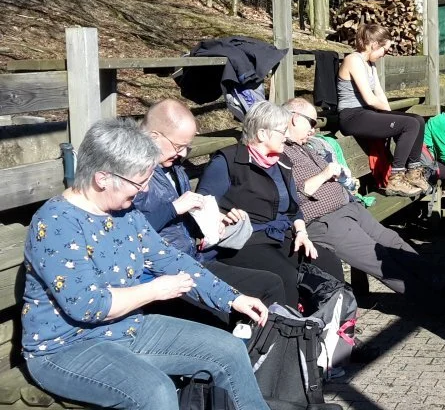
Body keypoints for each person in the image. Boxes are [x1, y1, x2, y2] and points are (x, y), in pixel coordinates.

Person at [22, 118, 270, 410]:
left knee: (228, 350)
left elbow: (170, 259)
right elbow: (87, 304)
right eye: (138, 182)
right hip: (65, 348)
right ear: (102, 178)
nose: (143, 190)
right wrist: (154, 290)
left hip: (125, 327)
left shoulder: (124, 214)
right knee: (156, 391)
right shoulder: (55, 223)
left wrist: (233, 298)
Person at [282, 98, 445, 304]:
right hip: (324, 220)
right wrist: (326, 173)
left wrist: (343, 179)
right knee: (379, 259)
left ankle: (443, 280)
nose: (314, 129)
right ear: (293, 119)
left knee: (393, 241)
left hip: (349, 206)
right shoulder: (280, 153)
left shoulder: (305, 146)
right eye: (311, 123)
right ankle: (434, 302)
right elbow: (295, 194)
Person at [134, 99, 288, 324]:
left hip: (195, 258)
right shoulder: (133, 173)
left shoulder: (174, 169)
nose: (183, 153)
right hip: (164, 272)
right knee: (230, 312)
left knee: (271, 284)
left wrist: (216, 225)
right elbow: (129, 229)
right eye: (179, 147)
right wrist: (175, 208)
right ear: (155, 136)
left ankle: (278, 349)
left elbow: (183, 225)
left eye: (187, 147)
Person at [197, 101, 349, 308]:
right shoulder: (228, 161)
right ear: (262, 134)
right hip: (245, 241)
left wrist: (302, 233)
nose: (286, 136)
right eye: (282, 131)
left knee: (327, 261)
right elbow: (202, 206)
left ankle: (333, 327)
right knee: (286, 277)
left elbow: (294, 209)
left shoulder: (281, 161)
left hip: (280, 235)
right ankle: (293, 334)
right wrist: (222, 217)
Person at [337, 22, 430, 197]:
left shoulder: (370, 65)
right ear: (374, 45)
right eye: (384, 50)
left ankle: (413, 171)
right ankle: (396, 178)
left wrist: (392, 117)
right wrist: (395, 120)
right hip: (352, 116)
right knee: (409, 124)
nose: (384, 55)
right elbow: (370, 98)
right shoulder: (353, 60)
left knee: (416, 119)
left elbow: (380, 95)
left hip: (366, 113)